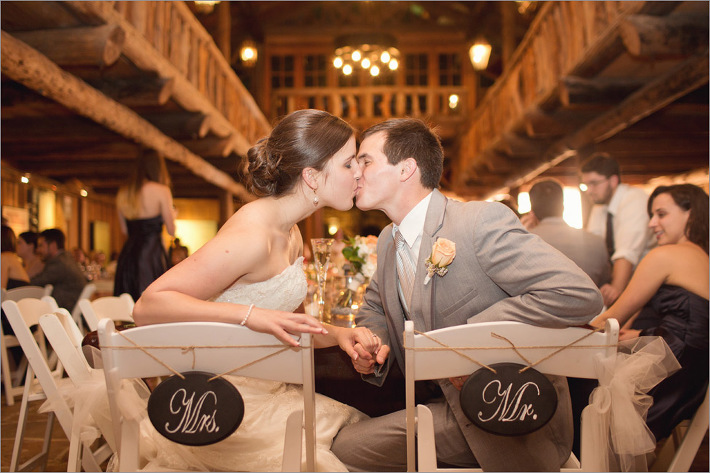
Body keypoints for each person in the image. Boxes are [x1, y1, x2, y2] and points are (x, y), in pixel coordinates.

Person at [331, 118, 604, 471]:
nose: (356, 173)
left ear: (406, 169)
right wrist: (374, 340)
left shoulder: (478, 222)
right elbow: (376, 308)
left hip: (508, 410)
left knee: (345, 450)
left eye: (365, 161)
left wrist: (466, 345)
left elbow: (577, 293)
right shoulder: (387, 240)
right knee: (344, 443)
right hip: (441, 406)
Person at [130, 109, 380, 471]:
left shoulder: (291, 233)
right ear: (311, 176)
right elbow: (148, 306)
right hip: (221, 403)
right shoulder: (253, 235)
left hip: (270, 390)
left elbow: (291, 324)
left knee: (361, 438)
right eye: (348, 164)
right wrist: (250, 316)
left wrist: (343, 333)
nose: (359, 172)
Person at [591, 184, 708, 442]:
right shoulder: (703, 256)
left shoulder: (665, 255)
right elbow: (692, 325)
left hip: (671, 370)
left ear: (690, 213)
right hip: (695, 373)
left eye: (661, 214)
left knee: (581, 389)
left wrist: (572, 334)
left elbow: (612, 317)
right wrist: (641, 334)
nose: (652, 223)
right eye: (651, 215)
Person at [580, 152, 655, 307]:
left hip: (648, 285)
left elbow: (626, 253)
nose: (589, 190)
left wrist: (615, 289)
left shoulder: (634, 200)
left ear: (613, 181)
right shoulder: (600, 207)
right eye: (586, 185)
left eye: (594, 183)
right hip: (621, 278)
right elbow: (593, 246)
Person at [114, 151, 176, 301]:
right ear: (158, 169)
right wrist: (173, 215)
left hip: (129, 255)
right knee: (152, 301)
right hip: (150, 255)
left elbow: (124, 230)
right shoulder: (162, 191)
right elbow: (171, 230)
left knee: (128, 304)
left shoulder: (123, 193)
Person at [527, 178, 611, 288]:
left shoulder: (525, 242)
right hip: (587, 304)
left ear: (532, 212)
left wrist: (523, 231)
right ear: (563, 207)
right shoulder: (597, 241)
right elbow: (605, 284)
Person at [30, 228, 88, 312]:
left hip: (63, 311)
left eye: (41, 245)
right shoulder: (66, 258)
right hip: (71, 308)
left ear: (53, 245)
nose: (38, 250)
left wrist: (32, 264)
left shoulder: (58, 263)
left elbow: (35, 283)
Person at [2, 225, 30, 290]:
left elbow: (1, 289)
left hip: (15, 299)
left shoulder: (4, 257)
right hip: (21, 298)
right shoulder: (11, 257)